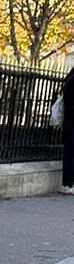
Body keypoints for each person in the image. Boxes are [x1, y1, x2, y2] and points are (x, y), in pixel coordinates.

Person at [58, 63, 74, 196]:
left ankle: (66, 184)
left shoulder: (69, 82)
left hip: (69, 123)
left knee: (69, 154)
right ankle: (69, 184)